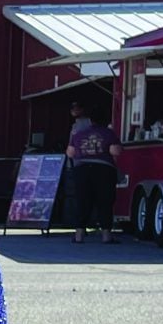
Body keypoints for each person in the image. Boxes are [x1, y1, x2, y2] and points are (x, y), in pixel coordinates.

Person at [63, 98, 118, 243]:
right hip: (104, 169)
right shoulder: (109, 133)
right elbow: (115, 151)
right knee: (105, 201)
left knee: (82, 201)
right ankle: (106, 236)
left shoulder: (78, 134)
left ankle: (79, 236)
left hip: (81, 170)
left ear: (90, 119)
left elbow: (70, 153)